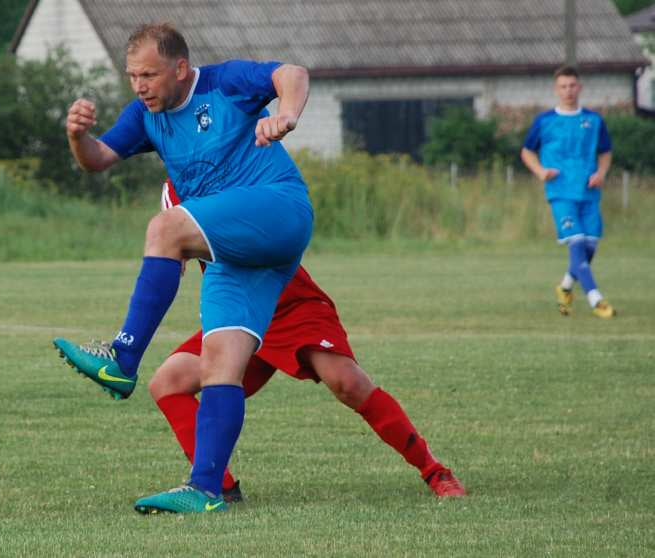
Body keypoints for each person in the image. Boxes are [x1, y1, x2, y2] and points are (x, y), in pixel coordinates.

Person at [53, 22, 314, 514]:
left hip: (278, 208)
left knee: (166, 228)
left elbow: (293, 73)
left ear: (179, 68)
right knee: (220, 364)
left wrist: (285, 115)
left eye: (148, 74)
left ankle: (123, 358)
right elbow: (98, 160)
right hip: (235, 252)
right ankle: (206, 489)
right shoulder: (145, 115)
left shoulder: (223, 83)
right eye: (132, 76)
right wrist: (77, 136)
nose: (139, 86)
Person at [151, 180, 466, 503]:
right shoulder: (172, 193)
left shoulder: (238, 164)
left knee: (347, 383)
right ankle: (220, 486)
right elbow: (171, 261)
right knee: (168, 382)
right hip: (239, 313)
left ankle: (435, 471)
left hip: (290, 303)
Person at [520, 65, 616, 319]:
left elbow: (605, 152)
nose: (568, 91)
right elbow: (527, 151)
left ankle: (565, 288)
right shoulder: (545, 121)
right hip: (561, 193)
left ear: (579, 87)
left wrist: (601, 174)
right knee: (576, 244)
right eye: (563, 86)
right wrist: (540, 171)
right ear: (556, 89)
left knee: (589, 247)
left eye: (572, 85)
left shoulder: (594, 121)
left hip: (588, 193)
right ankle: (596, 299)